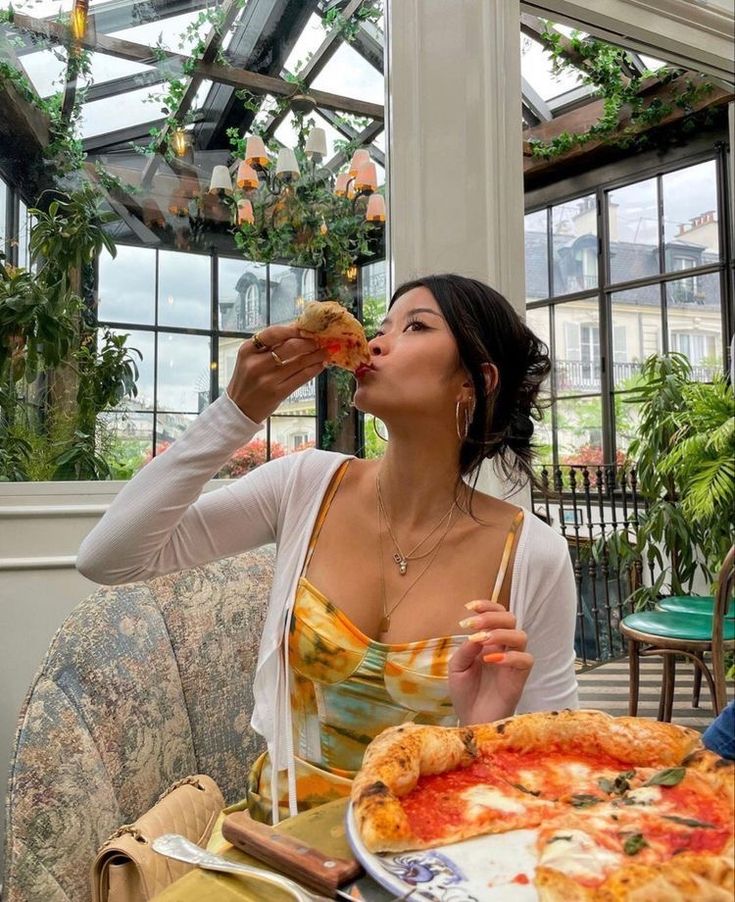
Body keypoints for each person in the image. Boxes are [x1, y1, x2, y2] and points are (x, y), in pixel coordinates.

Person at [77, 273, 578, 824]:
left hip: (420, 861)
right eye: (382, 325)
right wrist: (233, 414)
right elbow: (107, 557)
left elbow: (551, 767)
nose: (379, 339)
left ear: (474, 380)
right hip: (278, 847)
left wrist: (478, 733)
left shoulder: (532, 556)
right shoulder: (306, 485)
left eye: (415, 326)